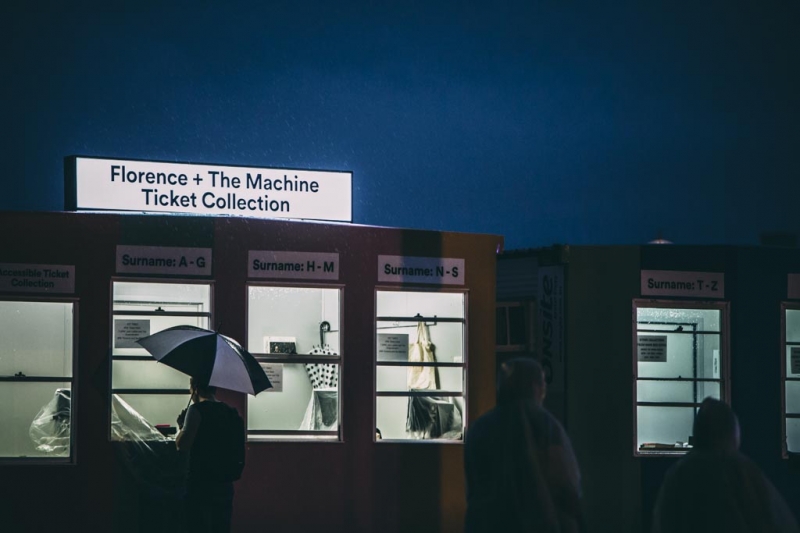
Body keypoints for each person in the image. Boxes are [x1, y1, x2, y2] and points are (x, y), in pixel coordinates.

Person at [464, 357, 584, 533]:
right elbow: (563, 482)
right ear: (535, 386)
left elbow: (473, 483)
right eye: (541, 382)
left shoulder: (479, 428)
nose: (544, 389)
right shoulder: (545, 424)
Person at [652, 397, 799, 533]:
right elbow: (775, 520)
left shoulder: (679, 472)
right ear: (733, 432)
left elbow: (663, 521)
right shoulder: (740, 469)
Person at [176, 377, 243, 533]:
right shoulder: (231, 412)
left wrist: (181, 426)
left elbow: (182, 445)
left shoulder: (196, 410)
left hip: (200, 484)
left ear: (196, 389)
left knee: (197, 526)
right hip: (225, 484)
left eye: (190, 388)